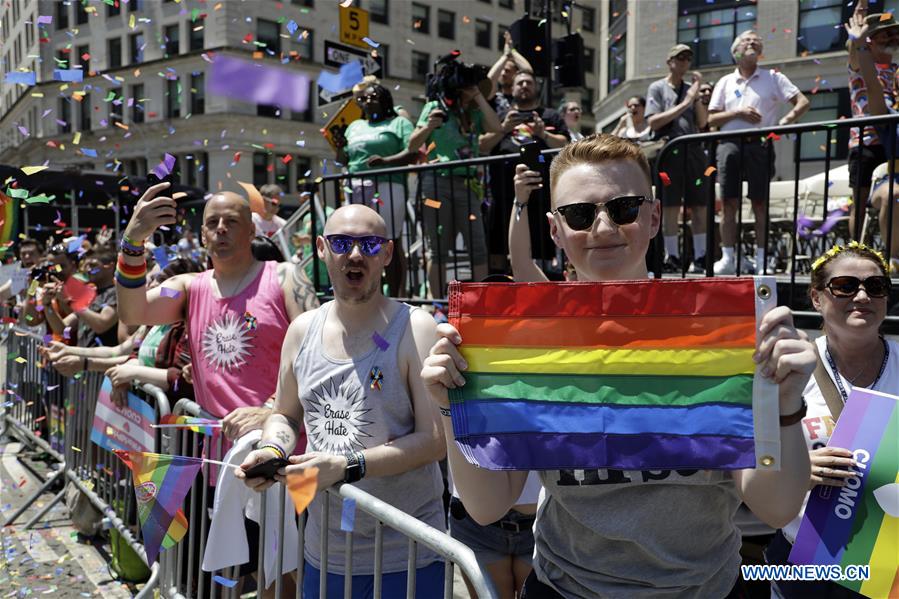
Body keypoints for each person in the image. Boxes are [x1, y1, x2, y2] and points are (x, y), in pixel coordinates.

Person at [426, 134, 815, 598]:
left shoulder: (719, 332)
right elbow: (488, 506)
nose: (604, 227)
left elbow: (775, 507)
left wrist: (786, 406)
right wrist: (454, 406)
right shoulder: (530, 344)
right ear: (555, 230)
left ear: (653, 218)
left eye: (624, 208)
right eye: (580, 214)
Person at [235, 204, 446, 599]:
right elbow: (285, 413)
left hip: (407, 551)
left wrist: (346, 466)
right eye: (342, 242)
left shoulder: (414, 327)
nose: (354, 254)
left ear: (386, 254)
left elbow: (433, 440)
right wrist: (271, 448)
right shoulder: (302, 330)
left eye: (369, 244)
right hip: (326, 550)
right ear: (321, 248)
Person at [765, 242, 896, 599]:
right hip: (802, 568)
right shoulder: (789, 368)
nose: (863, 295)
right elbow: (750, 463)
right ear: (817, 298)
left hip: (888, 568)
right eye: (845, 286)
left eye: (876, 286)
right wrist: (797, 472)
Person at [709, 30, 809, 275]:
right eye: (746, 39)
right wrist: (737, 113)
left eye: (757, 40)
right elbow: (711, 119)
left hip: (760, 144)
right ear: (736, 50)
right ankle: (728, 257)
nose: (752, 42)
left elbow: (802, 102)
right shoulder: (725, 81)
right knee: (729, 203)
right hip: (729, 143)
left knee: (760, 203)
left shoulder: (773, 77)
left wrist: (784, 122)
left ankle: (763, 259)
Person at [408, 77, 502, 296]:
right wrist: (430, 125)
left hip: (468, 185)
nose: (468, 88)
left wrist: (477, 94)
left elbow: (497, 128)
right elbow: (412, 145)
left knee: (478, 247)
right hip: (437, 183)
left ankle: (482, 303)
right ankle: (438, 303)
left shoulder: (475, 112)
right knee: (439, 250)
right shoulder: (434, 107)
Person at [480, 70, 569, 273]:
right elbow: (483, 145)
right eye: (519, 83)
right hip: (503, 194)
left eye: (529, 82)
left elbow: (565, 144)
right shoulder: (501, 116)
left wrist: (542, 133)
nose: (524, 86)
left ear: (536, 87)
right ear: (511, 89)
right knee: (499, 247)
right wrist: (503, 128)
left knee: (539, 247)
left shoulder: (550, 115)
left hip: (540, 194)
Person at [334, 82, 417, 296]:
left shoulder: (399, 123)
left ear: (386, 101)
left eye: (374, 97)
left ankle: (396, 296)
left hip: (388, 184)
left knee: (388, 240)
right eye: (365, 98)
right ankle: (366, 292)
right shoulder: (354, 126)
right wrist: (340, 146)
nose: (368, 101)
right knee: (358, 239)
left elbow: (414, 152)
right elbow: (343, 160)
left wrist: (386, 161)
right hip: (356, 185)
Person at [645, 43, 710, 274]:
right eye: (679, 57)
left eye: (687, 58)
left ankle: (700, 256)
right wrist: (684, 103)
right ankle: (671, 255)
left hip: (693, 152)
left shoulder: (691, 89)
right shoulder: (657, 88)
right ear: (669, 61)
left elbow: (702, 123)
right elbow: (653, 122)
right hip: (669, 153)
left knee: (699, 205)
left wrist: (697, 96)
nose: (683, 62)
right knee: (670, 205)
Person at [846, 11, 899, 274]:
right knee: (861, 200)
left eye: (895, 33)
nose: (892, 37)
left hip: (893, 141)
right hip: (866, 140)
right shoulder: (859, 61)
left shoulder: (897, 70)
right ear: (870, 40)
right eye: (885, 33)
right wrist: (859, 37)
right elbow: (855, 48)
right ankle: (856, 251)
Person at [43, 244, 119, 348]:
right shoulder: (89, 295)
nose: (87, 269)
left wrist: (70, 301)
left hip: (103, 361)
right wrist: (47, 304)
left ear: (110, 266)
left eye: (93, 265)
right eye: (86, 265)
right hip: (84, 361)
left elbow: (101, 324)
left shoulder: (116, 293)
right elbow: (61, 329)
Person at [487, 31, 535, 114]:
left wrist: (512, 51)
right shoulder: (494, 97)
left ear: (515, 74)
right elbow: (489, 82)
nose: (503, 74)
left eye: (507, 71)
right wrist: (505, 56)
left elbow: (528, 72)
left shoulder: (522, 96)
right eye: (501, 70)